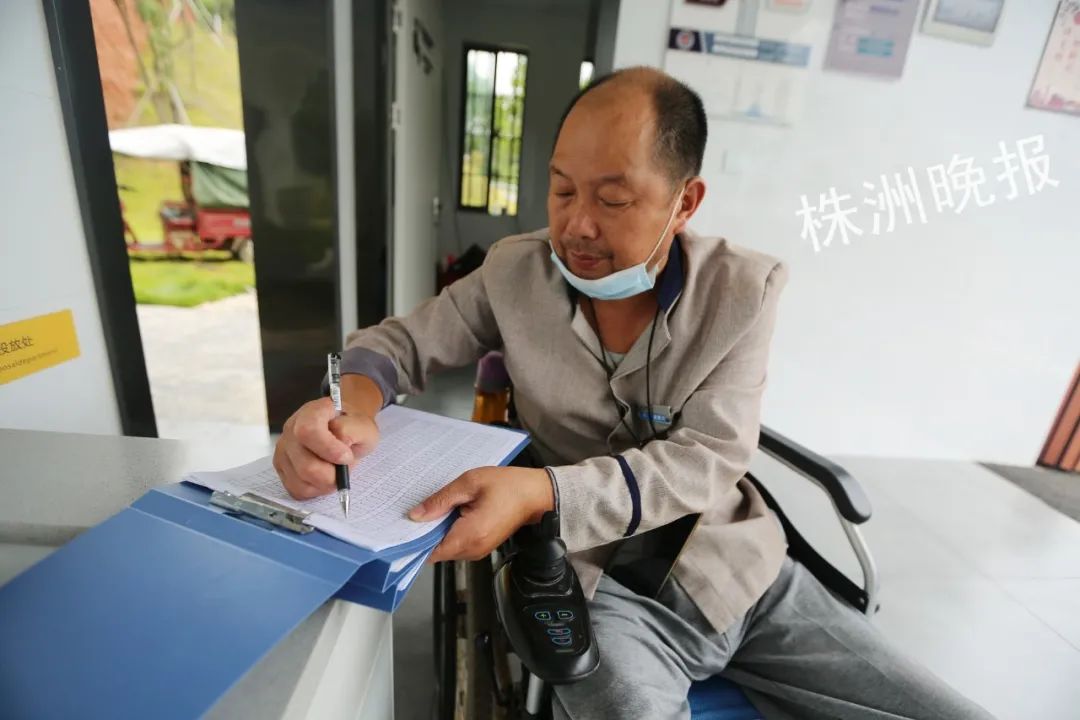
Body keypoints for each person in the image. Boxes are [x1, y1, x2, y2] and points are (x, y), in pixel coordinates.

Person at [273, 67, 994, 720]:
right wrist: (351, 408)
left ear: (685, 202)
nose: (576, 226)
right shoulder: (514, 273)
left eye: (613, 199)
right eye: (561, 189)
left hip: (737, 571)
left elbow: (708, 458)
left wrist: (544, 491)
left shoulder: (742, 293)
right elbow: (395, 344)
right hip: (593, 586)